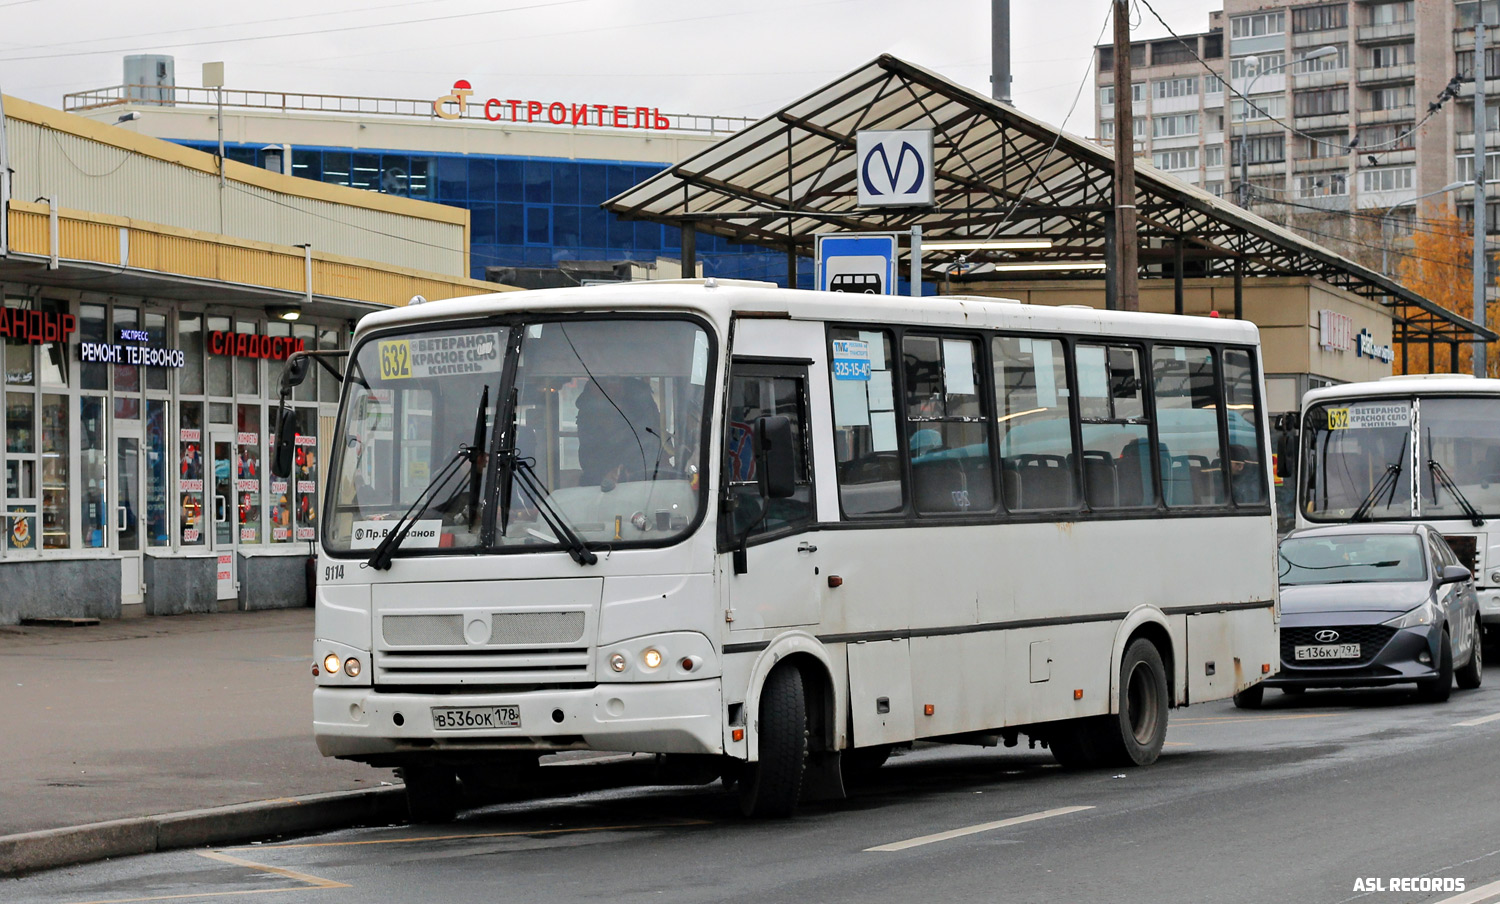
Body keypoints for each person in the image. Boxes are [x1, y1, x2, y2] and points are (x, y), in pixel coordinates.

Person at [576, 377, 663, 488]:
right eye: (601, 384)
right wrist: (603, 474)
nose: (609, 388)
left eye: (614, 381)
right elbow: (587, 455)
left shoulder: (643, 408)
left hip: (642, 483)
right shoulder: (587, 411)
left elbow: (654, 445)